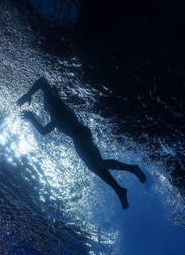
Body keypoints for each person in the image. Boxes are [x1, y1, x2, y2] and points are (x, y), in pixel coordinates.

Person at [17, 77, 146, 209]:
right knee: (94, 166)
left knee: (97, 163)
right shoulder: (54, 114)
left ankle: (131, 171)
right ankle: (119, 188)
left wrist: (28, 95)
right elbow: (44, 131)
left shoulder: (54, 101)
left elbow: (42, 81)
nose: (45, 104)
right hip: (78, 138)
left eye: (52, 93)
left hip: (80, 134)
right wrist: (31, 118)